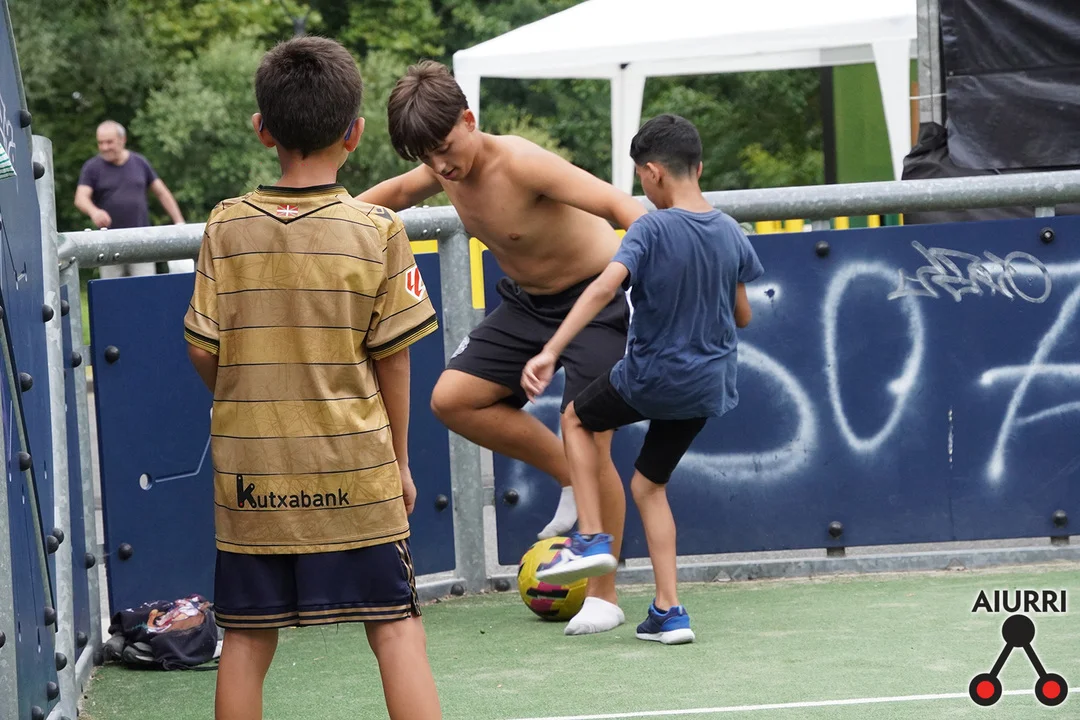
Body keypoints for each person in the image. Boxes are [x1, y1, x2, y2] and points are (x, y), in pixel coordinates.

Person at [183, 37, 442, 720]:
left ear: (262, 129)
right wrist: (400, 465)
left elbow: (202, 348)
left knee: (246, 637)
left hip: (253, 481)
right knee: (396, 628)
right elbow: (394, 358)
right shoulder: (378, 229)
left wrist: (248, 402)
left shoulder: (223, 227)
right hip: (358, 475)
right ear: (355, 133)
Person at [358, 61, 646, 636]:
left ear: (469, 120)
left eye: (445, 148)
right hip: (527, 306)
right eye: (428, 157)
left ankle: (605, 596)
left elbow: (624, 209)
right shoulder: (443, 168)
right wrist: (322, 222)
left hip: (593, 302)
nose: (441, 166)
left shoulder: (521, 162)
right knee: (453, 399)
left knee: (590, 436)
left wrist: (657, 275)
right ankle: (569, 476)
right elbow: (395, 193)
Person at [522, 114, 765, 645]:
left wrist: (551, 349)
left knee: (575, 419)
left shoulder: (650, 228)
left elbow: (602, 288)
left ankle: (591, 537)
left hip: (654, 376)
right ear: (699, 167)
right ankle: (669, 611)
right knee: (648, 486)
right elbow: (743, 315)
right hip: (709, 386)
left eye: (640, 178)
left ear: (653, 173)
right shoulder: (730, 231)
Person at [75, 120, 187, 277]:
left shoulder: (140, 163)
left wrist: (180, 223)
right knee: (111, 289)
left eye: (109, 142)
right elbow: (80, 198)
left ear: (122, 140)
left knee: (145, 288)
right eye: (100, 143)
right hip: (109, 245)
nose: (104, 147)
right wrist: (94, 212)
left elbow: (162, 193)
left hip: (142, 242)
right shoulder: (92, 167)